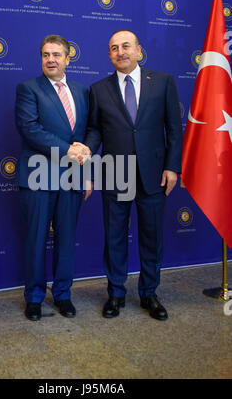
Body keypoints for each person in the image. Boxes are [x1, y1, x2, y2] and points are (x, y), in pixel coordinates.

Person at [83, 30, 183, 320]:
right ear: (110, 54)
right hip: (115, 174)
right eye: (114, 48)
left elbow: (174, 129)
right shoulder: (98, 89)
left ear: (139, 50)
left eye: (126, 46)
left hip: (154, 174)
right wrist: (85, 151)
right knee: (114, 237)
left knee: (152, 237)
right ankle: (115, 294)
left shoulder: (163, 82)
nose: (121, 52)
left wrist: (172, 166)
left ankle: (149, 293)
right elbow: (95, 130)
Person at [15, 35, 90, 321]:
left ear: (68, 58)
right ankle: (34, 298)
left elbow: (86, 133)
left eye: (57, 54)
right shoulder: (28, 88)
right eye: (46, 54)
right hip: (38, 176)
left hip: (72, 177)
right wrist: (68, 150)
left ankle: (63, 295)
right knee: (35, 240)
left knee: (67, 239)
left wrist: (86, 169)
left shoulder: (82, 91)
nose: (51, 59)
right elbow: (29, 128)